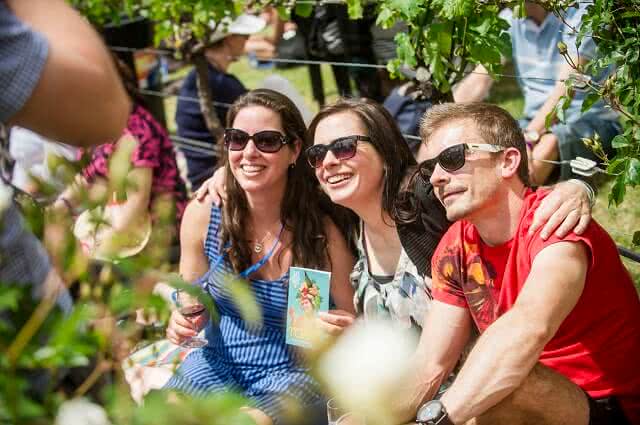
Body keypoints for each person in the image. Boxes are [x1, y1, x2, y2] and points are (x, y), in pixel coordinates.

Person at [197, 98, 595, 338]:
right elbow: (309, 332)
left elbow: (498, 178)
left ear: (386, 152)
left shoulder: (428, 201)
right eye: (318, 155)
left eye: (346, 147)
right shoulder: (336, 225)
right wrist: (230, 170)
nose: (329, 162)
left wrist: (578, 188)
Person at [394, 102, 640, 425]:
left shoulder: (554, 224)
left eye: (451, 159)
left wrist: (437, 420)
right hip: (526, 408)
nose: (437, 178)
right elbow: (429, 364)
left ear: (508, 161)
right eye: (430, 169)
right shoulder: (455, 245)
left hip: (608, 409)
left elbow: (527, 328)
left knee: (503, 379)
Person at [164, 89, 356, 425]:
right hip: (217, 362)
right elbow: (189, 295)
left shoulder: (318, 232)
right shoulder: (205, 213)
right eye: (237, 139)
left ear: (295, 149)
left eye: (267, 141)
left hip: (294, 372)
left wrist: (340, 328)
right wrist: (181, 317)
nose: (249, 152)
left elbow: (352, 319)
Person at [453, 2, 621, 186]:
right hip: (532, 121)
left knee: (545, 146)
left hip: (592, 124)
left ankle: (517, 205)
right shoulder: (510, 19)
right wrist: (444, 121)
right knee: (482, 143)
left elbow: (566, 89)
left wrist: (530, 138)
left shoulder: (582, 13)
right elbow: (479, 80)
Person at [49, 56, 188, 260]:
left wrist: (98, 250)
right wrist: (57, 209)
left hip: (155, 228)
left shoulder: (136, 130)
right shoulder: (101, 127)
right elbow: (89, 177)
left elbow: (136, 203)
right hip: (119, 217)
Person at [175, 14, 264, 190]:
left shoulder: (201, 77)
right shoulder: (219, 83)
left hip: (202, 171)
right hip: (213, 176)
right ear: (229, 39)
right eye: (244, 36)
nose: (247, 40)